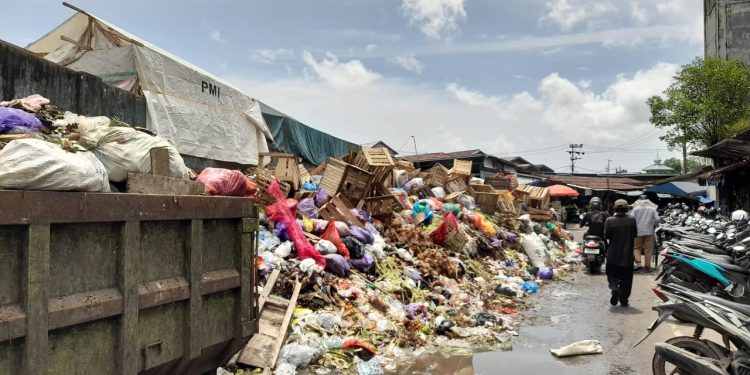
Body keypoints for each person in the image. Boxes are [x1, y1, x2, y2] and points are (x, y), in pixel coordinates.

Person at [604, 199, 638, 306]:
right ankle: (624, 300)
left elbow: (606, 236)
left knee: (612, 276)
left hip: (613, 256)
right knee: (627, 280)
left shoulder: (609, 220)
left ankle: (614, 288)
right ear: (627, 209)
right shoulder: (632, 220)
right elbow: (635, 234)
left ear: (614, 208)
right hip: (627, 257)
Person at [631, 195, 659, 272]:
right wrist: (655, 226)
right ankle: (647, 266)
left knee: (636, 248)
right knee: (648, 249)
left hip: (637, 232)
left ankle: (638, 263)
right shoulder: (652, 209)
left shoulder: (635, 209)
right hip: (649, 232)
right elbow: (657, 219)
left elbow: (631, 219)